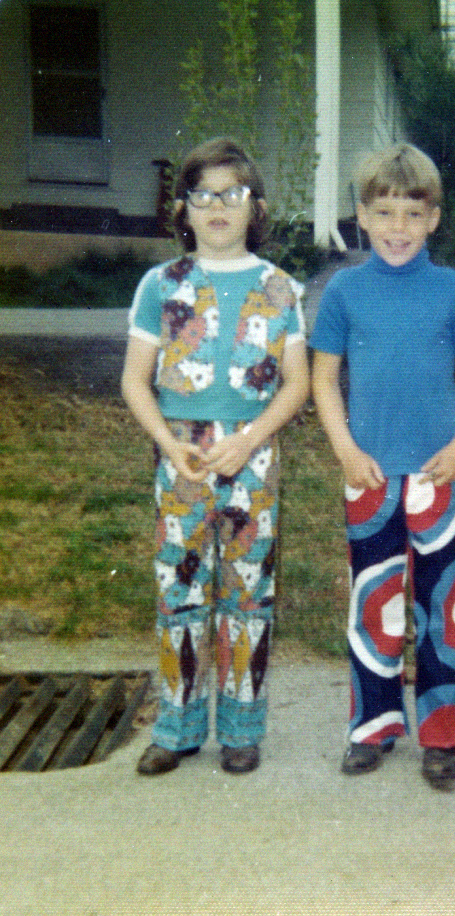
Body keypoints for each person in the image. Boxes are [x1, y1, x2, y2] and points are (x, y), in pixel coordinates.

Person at [121, 137, 309, 776]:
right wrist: (169, 443)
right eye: (203, 196)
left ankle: (241, 729)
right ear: (184, 210)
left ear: (255, 207)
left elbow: (297, 384)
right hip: (181, 458)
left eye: (232, 194)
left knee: (248, 592)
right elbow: (134, 380)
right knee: (179, 592)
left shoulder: (279, 288)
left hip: (252, 456)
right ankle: (175, 728)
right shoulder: (161, 285)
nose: (218, 207)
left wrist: (249, 440)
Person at [310, 143, 455, 790]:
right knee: (374, 602)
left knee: (442, 607)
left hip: (440, 475)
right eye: (384, 213)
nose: (398, 228)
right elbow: (324, 380)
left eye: (412, 214)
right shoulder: (344, 291)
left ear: (433, 218)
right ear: (361, 216)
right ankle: (372, 725)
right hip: (371, 477)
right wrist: (346, 451)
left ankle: (443, 733)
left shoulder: (454, 290)